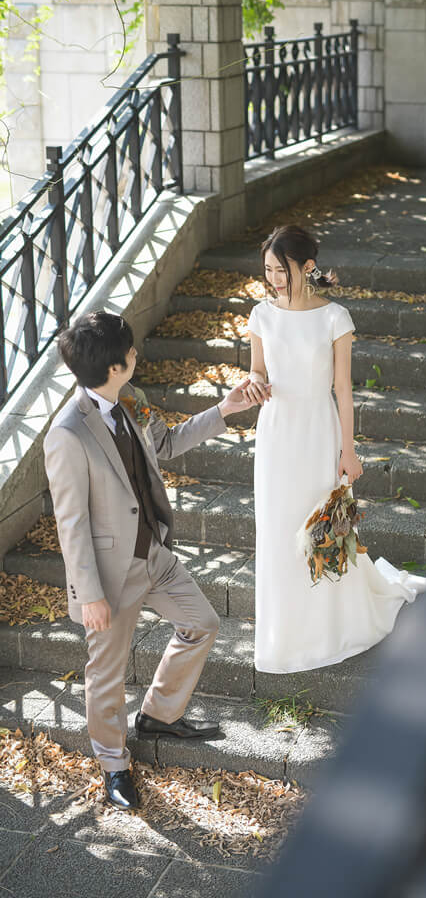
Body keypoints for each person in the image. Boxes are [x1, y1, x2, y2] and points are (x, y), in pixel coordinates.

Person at [43, 311, 257, 811]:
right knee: (106, 675)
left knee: (202, 622)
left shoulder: (130, 401)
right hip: (110, 579)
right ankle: (113, 765)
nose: (137, 354)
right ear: (116, 366)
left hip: (153, 554)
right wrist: (88, 592)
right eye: (132, 350)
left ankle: (159, 714)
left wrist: (224, 409)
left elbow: (165, 443)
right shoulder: (67, 434)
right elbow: (69, 523)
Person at [244, 226, 426, 675]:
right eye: (267, 270)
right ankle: (285, 636)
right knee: (277, 530)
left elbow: (343, 391)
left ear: (307, 267)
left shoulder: (335, 318)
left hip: (318, 430)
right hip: (275, 433)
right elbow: (255, 370)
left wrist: (348, 450)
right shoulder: (261, 315)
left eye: (281, 270)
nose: (273, 278)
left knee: (321, 526)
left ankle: (329, 628)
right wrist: (253, 383)